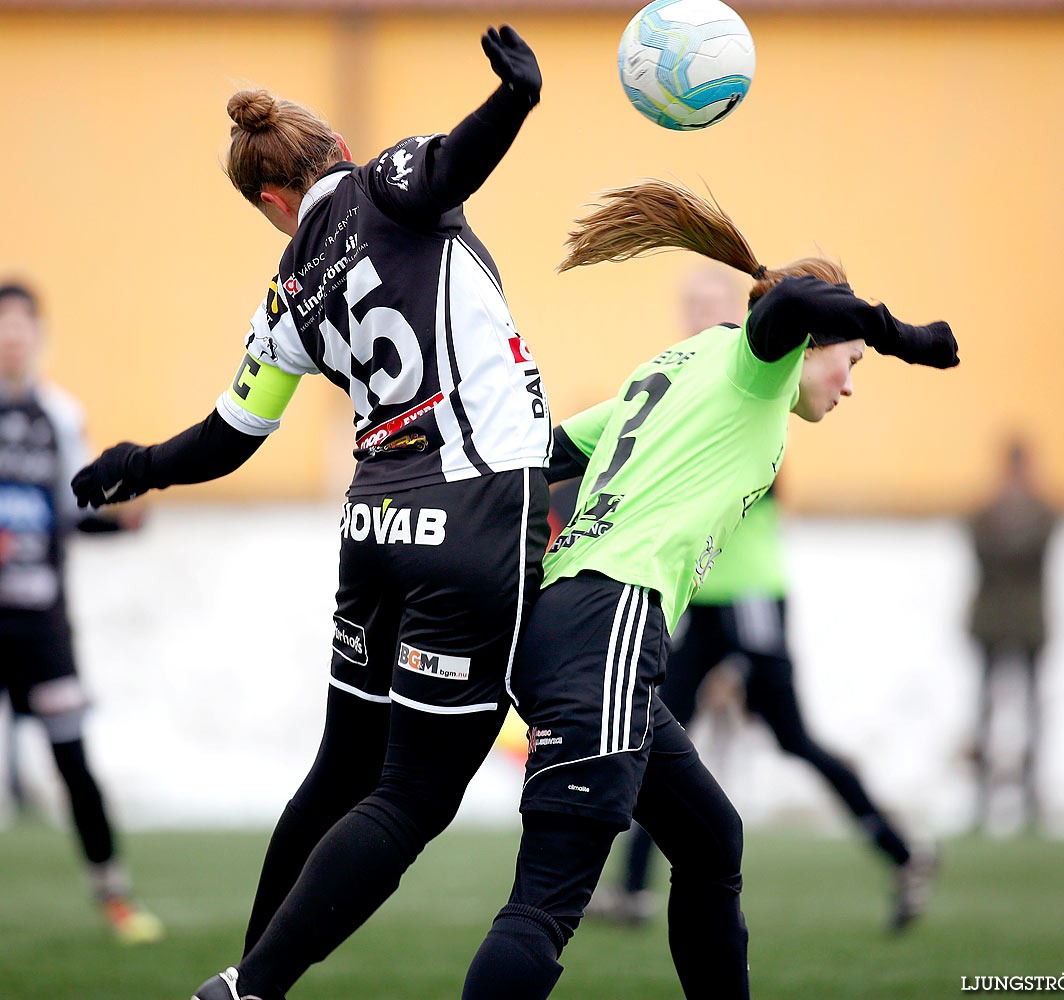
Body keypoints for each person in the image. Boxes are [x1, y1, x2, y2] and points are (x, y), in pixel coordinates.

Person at [71, 26, 552, 1000]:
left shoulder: (288, 285)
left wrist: (138, 466)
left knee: (341, 771)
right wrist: (517, 98)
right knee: (411, 797)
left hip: (373, 529)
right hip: (473, 514)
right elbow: (454, 161)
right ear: (330, 154)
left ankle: (249, 979)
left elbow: (229, 433)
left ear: (274, 201)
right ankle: (250, 987)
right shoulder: (385, 183)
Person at [460, 180, 959, 1000]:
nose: (853, 381)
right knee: (547, 901)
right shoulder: (758, 367)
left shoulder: (683, 361)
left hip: (578, 623)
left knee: (710, 839)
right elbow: (796, 298)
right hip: (612, 619)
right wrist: (900, 334)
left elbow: (549, 452)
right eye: (854, 360)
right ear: (815, 340)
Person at [590, 266, 935, 934]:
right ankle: (632, 888)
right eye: (688, 304)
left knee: (787, 735)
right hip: (706, 602)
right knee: (655, 721)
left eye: (711, 306)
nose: (698, 316)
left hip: (748, 598)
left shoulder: (757, 385)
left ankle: (903, 851)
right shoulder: (703, 383)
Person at [0, 281, 162, 944]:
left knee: (73, 763)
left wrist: (123, 524)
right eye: (2, 324)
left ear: (39, 337)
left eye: (22, 325)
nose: (12, 336)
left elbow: (76, 514)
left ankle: (114, 898)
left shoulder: (59, 416)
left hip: (42, 626)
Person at [968, 437, 1056, 833]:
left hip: (1026, 622)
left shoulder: (1043, 513)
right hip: (992, 621)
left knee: (1031, 712)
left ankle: (1031, 801)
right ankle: (981, 801)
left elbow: (1027, 550)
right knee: (985, 712)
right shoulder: (986, 513)